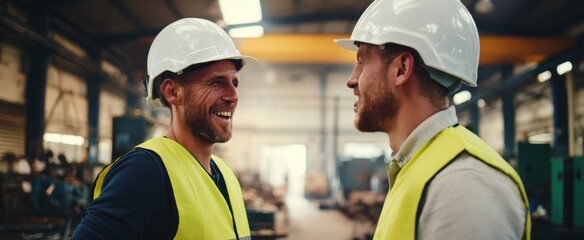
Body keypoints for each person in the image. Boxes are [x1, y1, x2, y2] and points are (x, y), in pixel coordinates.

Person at [334, 0, 531, 239]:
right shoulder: (419, 166)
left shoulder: (463, 185)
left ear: (402, 69)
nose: (352, 80)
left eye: (362, 63)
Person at [73, 18, 255, 239]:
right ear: (172, 92)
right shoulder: (145, 171)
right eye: (217, 83)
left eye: (234, 83)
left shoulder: (226, 175)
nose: (232, 97)